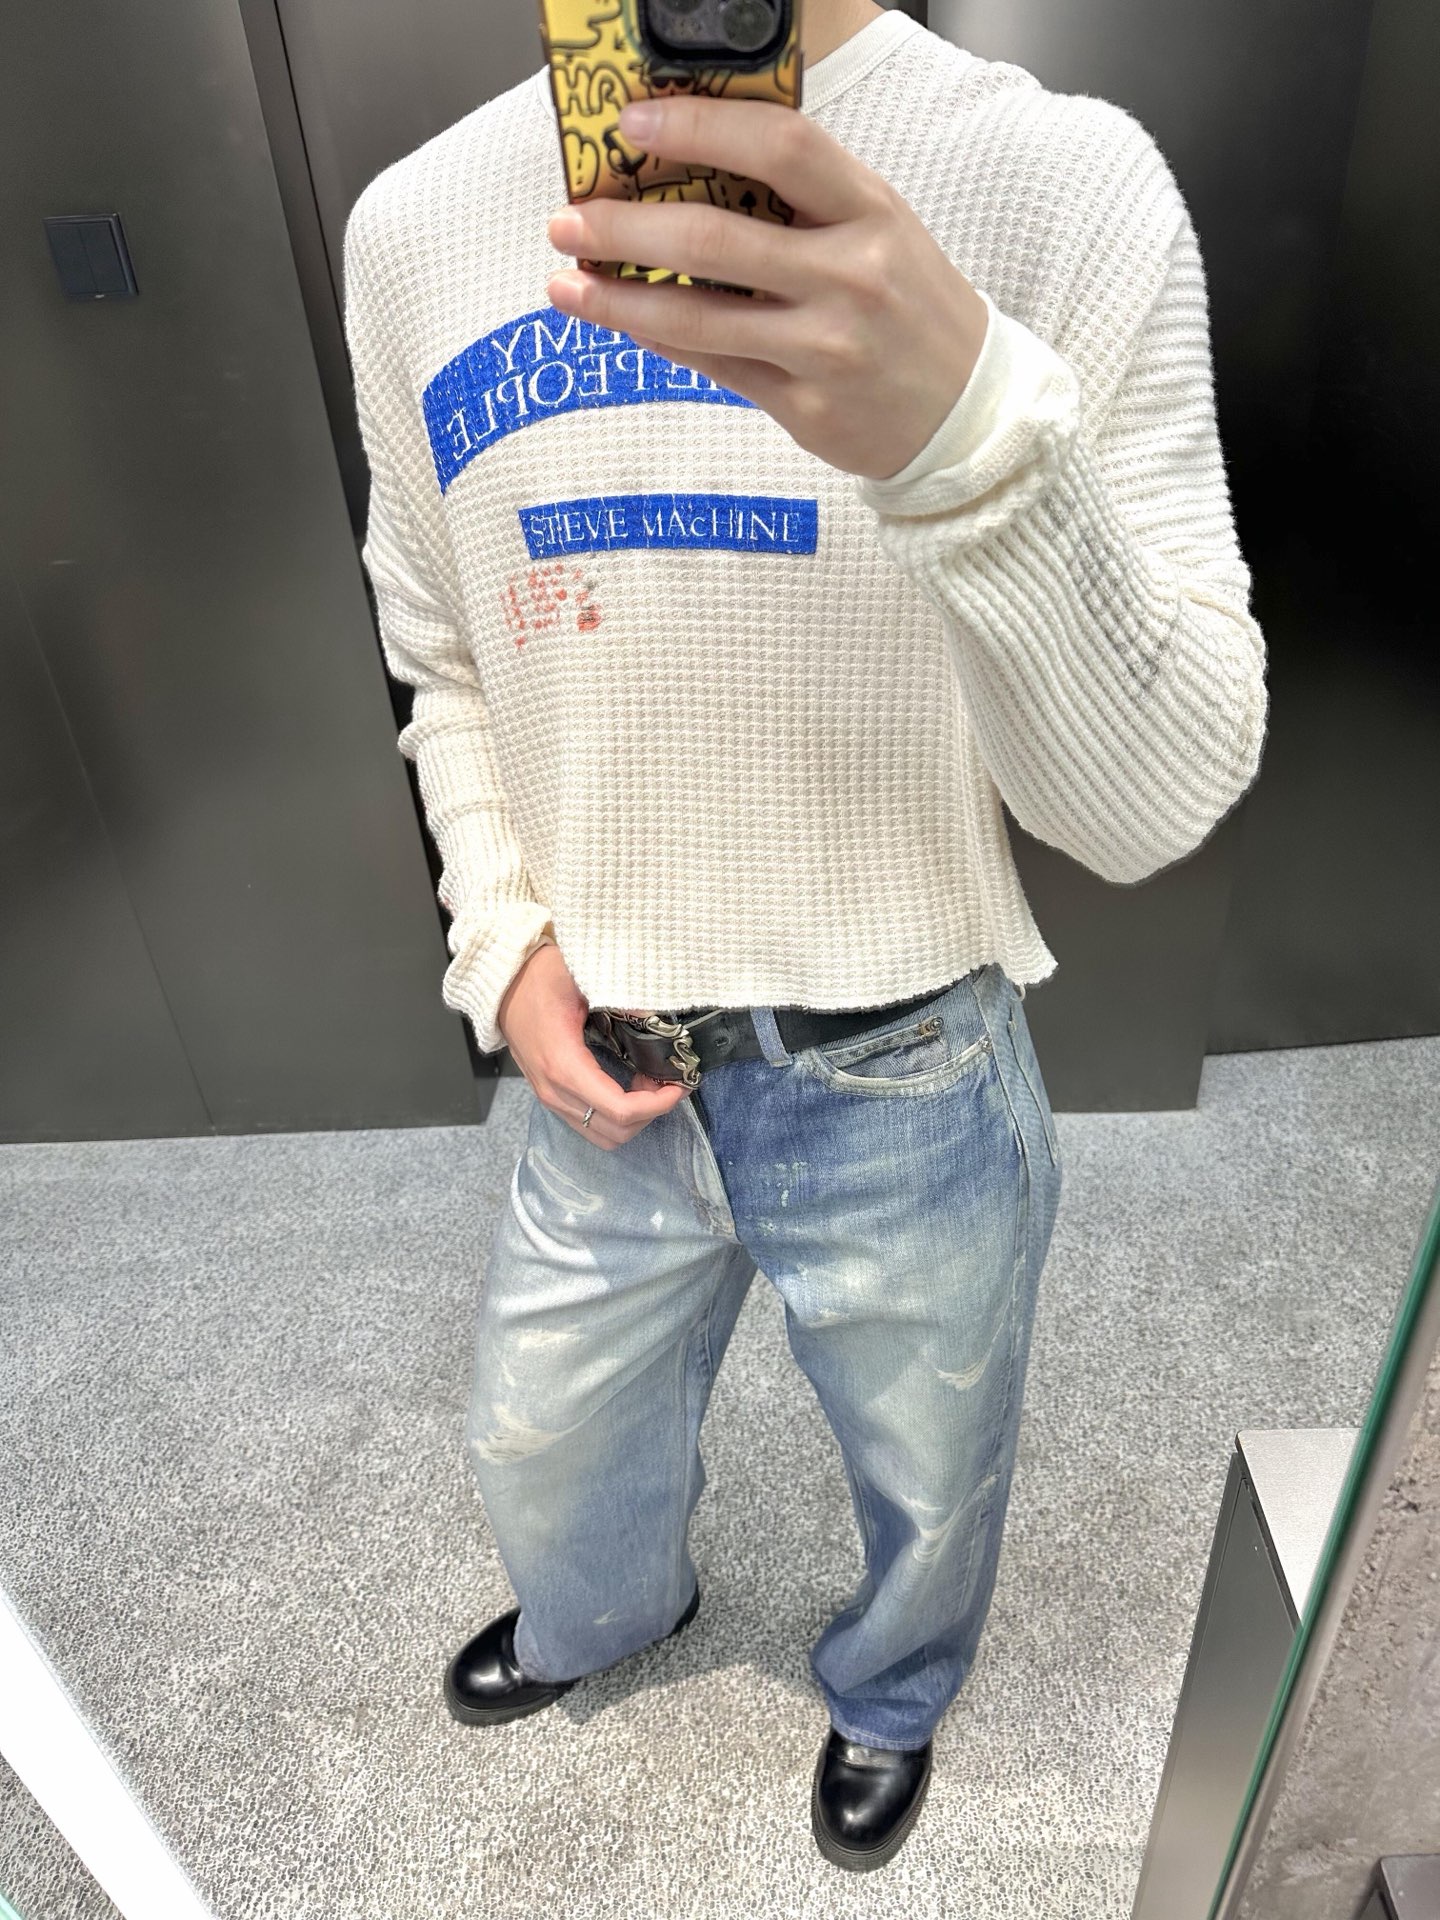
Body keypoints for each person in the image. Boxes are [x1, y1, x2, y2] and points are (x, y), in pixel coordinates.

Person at [341, 0, 1268, 1874]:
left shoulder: (1057, 183)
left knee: (932, 1470)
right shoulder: (416, 223)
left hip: (903, 1050)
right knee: (540, 1436)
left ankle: (892, 1698)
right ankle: (607, 1616)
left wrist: (969, 436)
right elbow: (441, 653)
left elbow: (1159, 796)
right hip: (603, 1045)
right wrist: (503, 941)